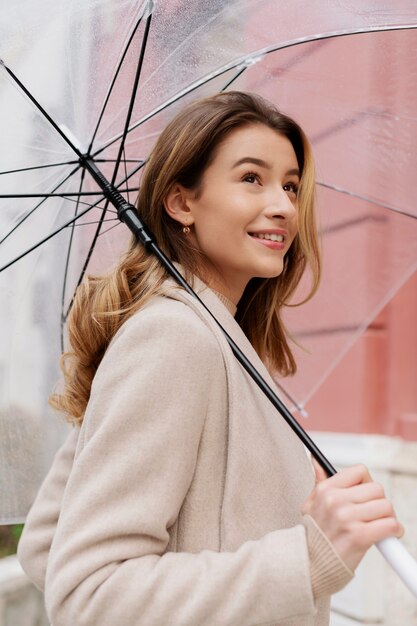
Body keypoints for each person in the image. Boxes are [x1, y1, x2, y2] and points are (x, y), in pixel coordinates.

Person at [17, 91, 403, 626]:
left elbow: (47, 545)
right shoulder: (174, 339)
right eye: (252, 178)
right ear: (181, 203)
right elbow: (88, 592)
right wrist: (309, 556)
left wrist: (292, 504)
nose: (284, 206)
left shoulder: (217, 339)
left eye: (291, 185)